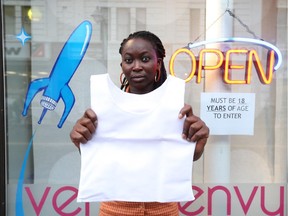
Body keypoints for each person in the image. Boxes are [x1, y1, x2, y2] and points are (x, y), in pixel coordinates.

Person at [70, 31, 209, 216]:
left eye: (145, 59)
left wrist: (197, 144)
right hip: (115, 209)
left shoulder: (174, 107)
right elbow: (100, 155)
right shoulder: (103, 109)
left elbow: (179, 156)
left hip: (163, 209)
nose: (136, 66)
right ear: (122, 66)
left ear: (158, 63)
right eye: (129, 60)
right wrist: (82, 142)